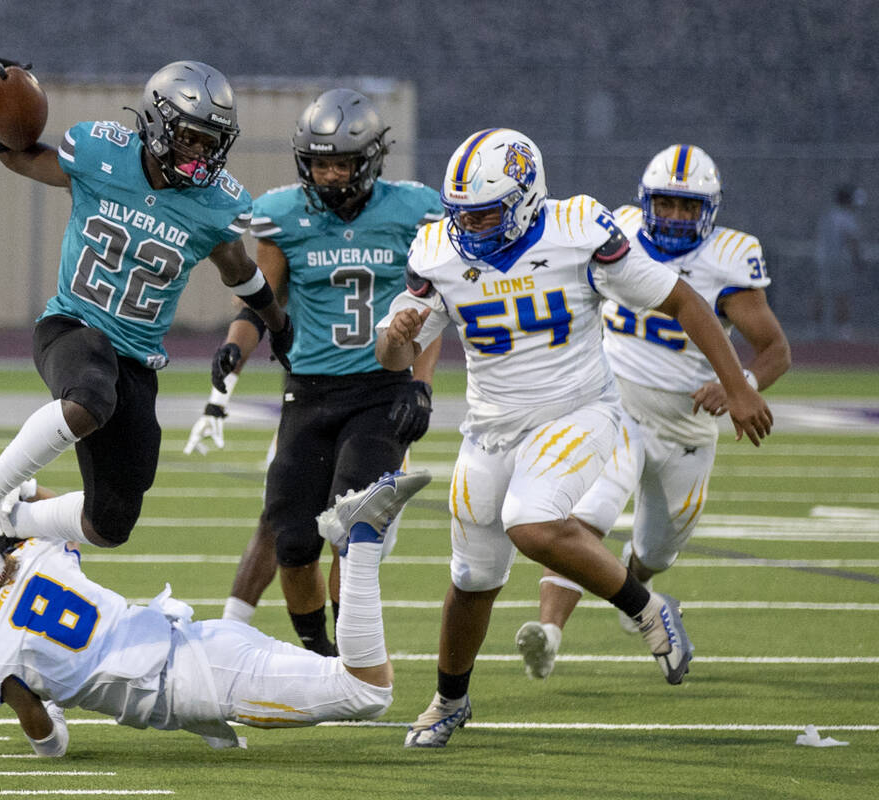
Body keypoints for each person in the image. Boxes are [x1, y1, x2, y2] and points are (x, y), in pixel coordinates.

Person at [374, 128, 773, 749]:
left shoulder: (580, 230)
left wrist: (740, 384)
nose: (471, 227)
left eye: (486, 212)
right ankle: (449, 700)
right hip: (490, 428)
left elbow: (683, 301)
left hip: (578, 412)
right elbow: (394, 355)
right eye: (463, 214)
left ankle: (645, 607)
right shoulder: (436, 249)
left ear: (527, 197)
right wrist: (399, 334)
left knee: (530, 521)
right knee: (472, 577)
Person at [0, 56, 293, 561]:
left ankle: (18, 514)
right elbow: (19, 155)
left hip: (135, 358)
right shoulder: (101, 155)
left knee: (111, 522)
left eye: (212, 142)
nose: (202, 154)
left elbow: (238, 269)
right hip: (72, 325)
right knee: (90, 396)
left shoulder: (216, 205)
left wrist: (277, 324)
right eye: (192, 137)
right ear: (159, 124)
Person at [514, 144, 792, 681]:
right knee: (584, 517)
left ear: (709, 210)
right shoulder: (614, 231)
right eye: (665, 204)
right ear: (645, 202)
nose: (675, 217)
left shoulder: (728, 257)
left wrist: (742, 384)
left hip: (686, 424)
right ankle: (549, 633)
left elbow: (775, 348)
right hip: (613, 406)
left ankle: (637, 591)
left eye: (688, 208)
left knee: (657, 550)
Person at [0, 469, 432, 752]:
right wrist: (13, 499)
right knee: (358, 684)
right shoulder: (34, 557)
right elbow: (62, 510)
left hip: (197, 682)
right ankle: (356, 534)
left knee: (367, 691)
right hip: (201, 643)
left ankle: (358, 540)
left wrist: (42, 696)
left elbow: (50, 740)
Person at [182, 89, 443, 655]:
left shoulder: (413, 210)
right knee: (294, 542)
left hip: (381, 392)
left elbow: (432, 308)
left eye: (341, 163)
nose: (328, 174)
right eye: (319, 162)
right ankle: (315, 652)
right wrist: (235, 349)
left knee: (352, 535)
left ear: (370, 160)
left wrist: (420, 385)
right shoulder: (283, 215)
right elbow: (261, 300)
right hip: (307, 393)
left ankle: (351, 660)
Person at [813, 183, 867, 340]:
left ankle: (816, 328)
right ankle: (843, 331)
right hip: (839, 261)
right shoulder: (846, 217)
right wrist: (859, 260)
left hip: (823, 259)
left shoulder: (827, 215)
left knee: (821, 293)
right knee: (842, 294)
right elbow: (852, 240)